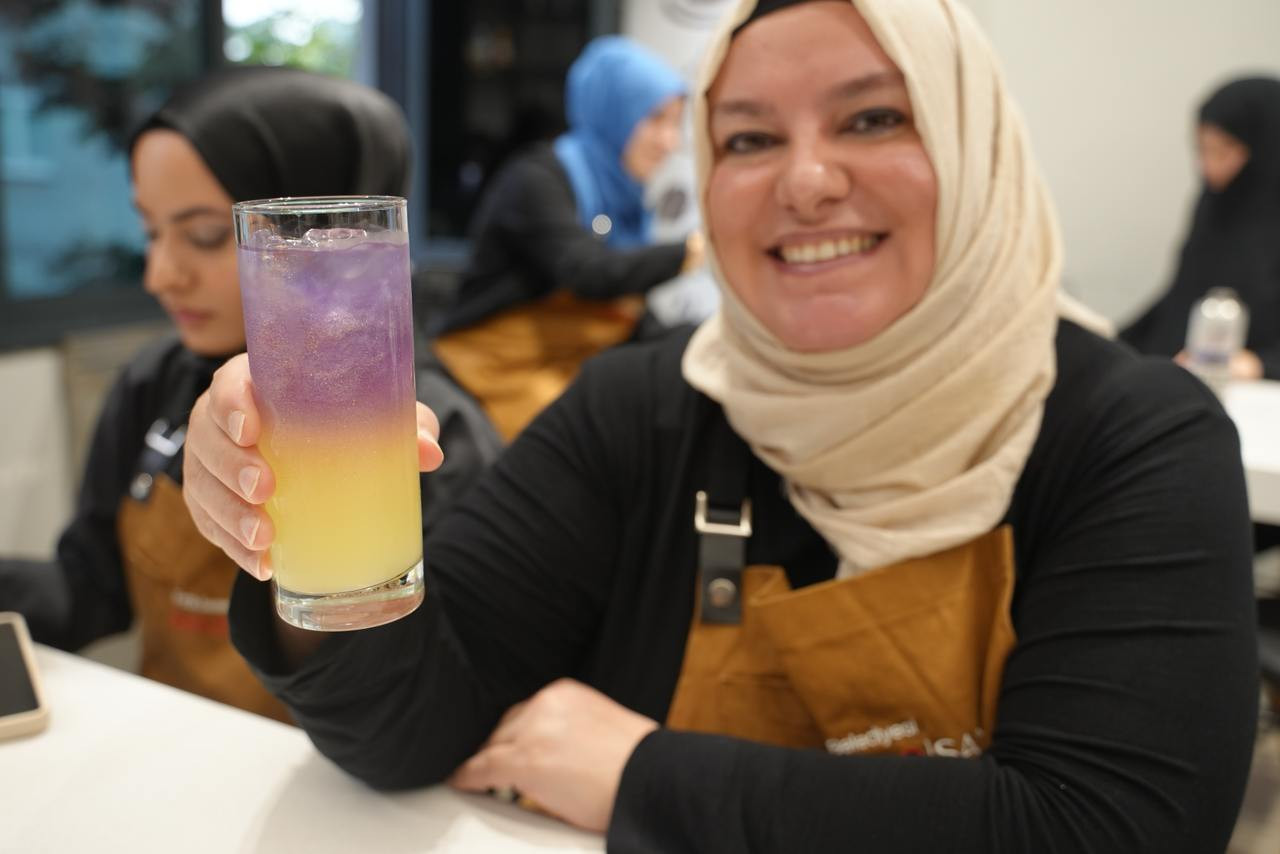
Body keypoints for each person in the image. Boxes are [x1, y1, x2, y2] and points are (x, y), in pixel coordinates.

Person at [183, 1, 1257, 850]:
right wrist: (305, 545)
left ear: (977, 147)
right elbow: (407, 730)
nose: (805, 181)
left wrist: (643, 777)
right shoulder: (636, 413)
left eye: (872, 118)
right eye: (747, 138)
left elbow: (1109, 826)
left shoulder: (1136, 440)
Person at [0, 67, 500, 723]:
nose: (159, 275)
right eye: (151, 232)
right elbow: (90, 586)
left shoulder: (424, 432)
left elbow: (450, 695)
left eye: (204, 235)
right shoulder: (152, 381)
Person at [431, 35, 705, 441]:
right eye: (655, 119)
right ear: (614, 112)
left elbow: (627, 315)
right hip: (495, 371)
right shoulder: (536, 178)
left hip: (566, 367)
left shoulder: (625, 199)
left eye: (675, 123)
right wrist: (693, 250)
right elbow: (587, 272)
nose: (670, 141)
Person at [1122, 76, 1280, 380]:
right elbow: (1180, 301)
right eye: (1203, 149)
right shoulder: (1214, 204)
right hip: (1185, 380)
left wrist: (1258, 364)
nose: (1209, 166)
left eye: (1223, 152)